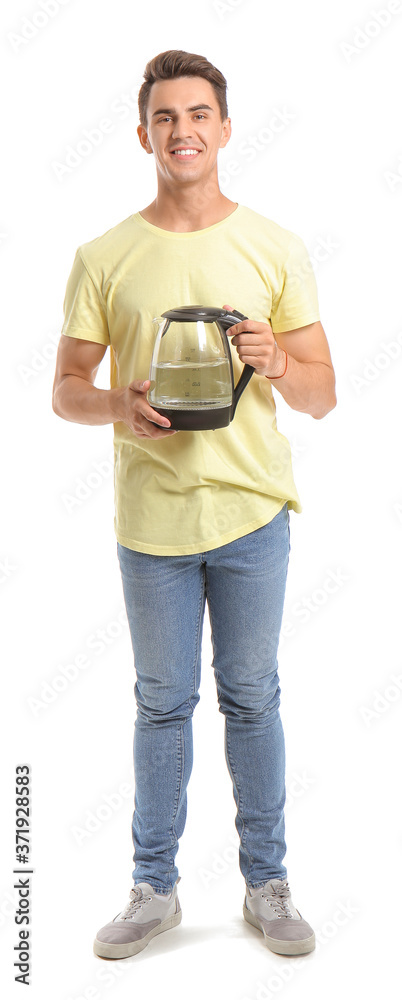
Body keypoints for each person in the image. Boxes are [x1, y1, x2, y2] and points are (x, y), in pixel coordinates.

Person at [52, 49, 336, 961]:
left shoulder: (275, 247)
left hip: (253, 515)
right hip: (153, 525)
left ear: (223, 126)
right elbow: (65, 388)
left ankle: (268, 884)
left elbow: (324, 394)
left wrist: (276, 362)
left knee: (252, 698)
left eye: (199, 114)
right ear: (144, 135)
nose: (183, 131)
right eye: (166, 117)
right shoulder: (104, 255)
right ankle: (154, 887)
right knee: (160, 703)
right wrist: (116, 407)